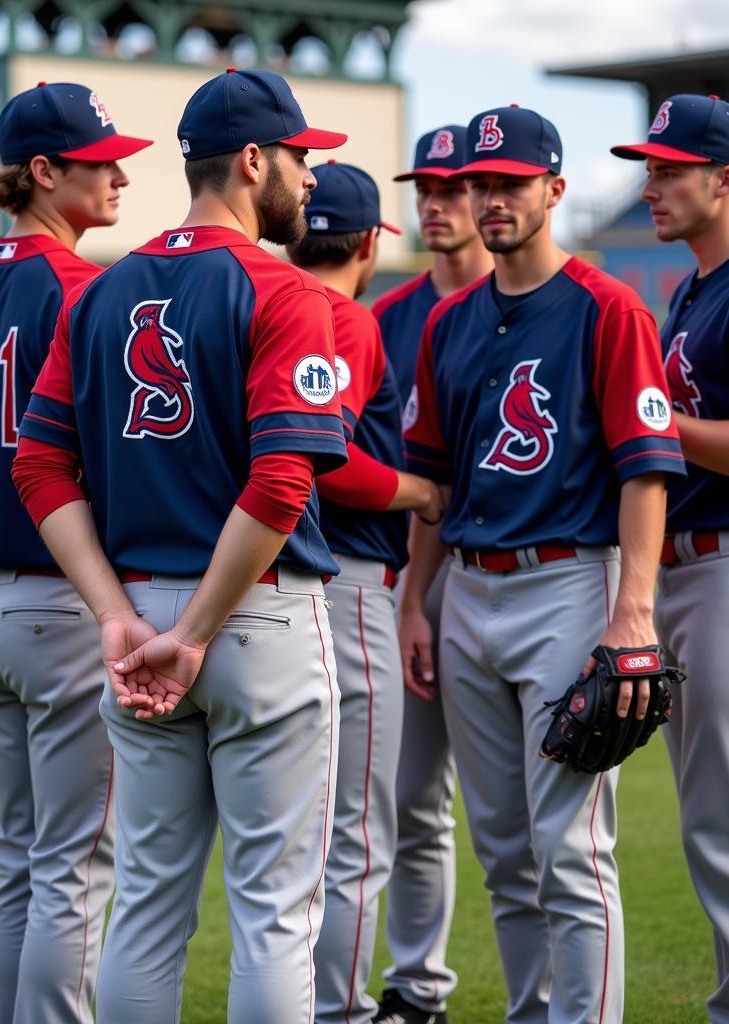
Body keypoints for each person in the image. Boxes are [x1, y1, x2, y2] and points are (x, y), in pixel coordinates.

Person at [13, 66, 349, 1024]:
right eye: (298, 158)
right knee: (275, 915)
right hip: (254, 613)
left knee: (149, 902)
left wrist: (118, 616)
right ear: (253, 162)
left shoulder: (105, 289)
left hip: (139, 614)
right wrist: (195, 632)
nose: (310, 179)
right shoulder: (283, 288)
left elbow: (38, 469)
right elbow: (285, 480)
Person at [402, 105, 685, 1024]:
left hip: (568, 583)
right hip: (467, 590)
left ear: (553, 191)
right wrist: (416, 600)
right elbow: (435, 482)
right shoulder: (449, 324)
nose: (489, 200)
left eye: (509, 183)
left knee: (570, 851)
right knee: (505, 852)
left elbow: (646, 470)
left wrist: (632, 612)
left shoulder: (607, 309)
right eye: (478, 184)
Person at [0, 81, 151, 1024]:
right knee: (74, 863)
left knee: (21, 854)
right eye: (100, 161)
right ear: (44, 172)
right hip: (67, 600)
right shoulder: (89, 290)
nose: (121, 175)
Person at [283, 160, 443, 1024]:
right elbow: (326, 455)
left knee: (288, 840)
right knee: (353, 836)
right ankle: (338, 1012)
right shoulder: (343, 315)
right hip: (342, 585)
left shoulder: (261, 303)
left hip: (258, 582)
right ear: (375, 239)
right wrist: (419, 493)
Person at [369, 124, 493, 1024]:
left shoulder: (548, 300)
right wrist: (409, 592)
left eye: (452, 189)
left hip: (517, 572)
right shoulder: (389, 317)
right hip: (410, 575)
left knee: (527, 823)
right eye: (426, 189)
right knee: (410, 798)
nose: (436, 205)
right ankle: (417, 987)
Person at [612, 92, 729, 1024]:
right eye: (647, 168)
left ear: (723, 178)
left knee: (724, 820)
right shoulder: (690, 288)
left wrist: (651, 426)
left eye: (667, 169)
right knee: (710, 821)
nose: (648, 185)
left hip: (725, 563)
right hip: (690, 568)